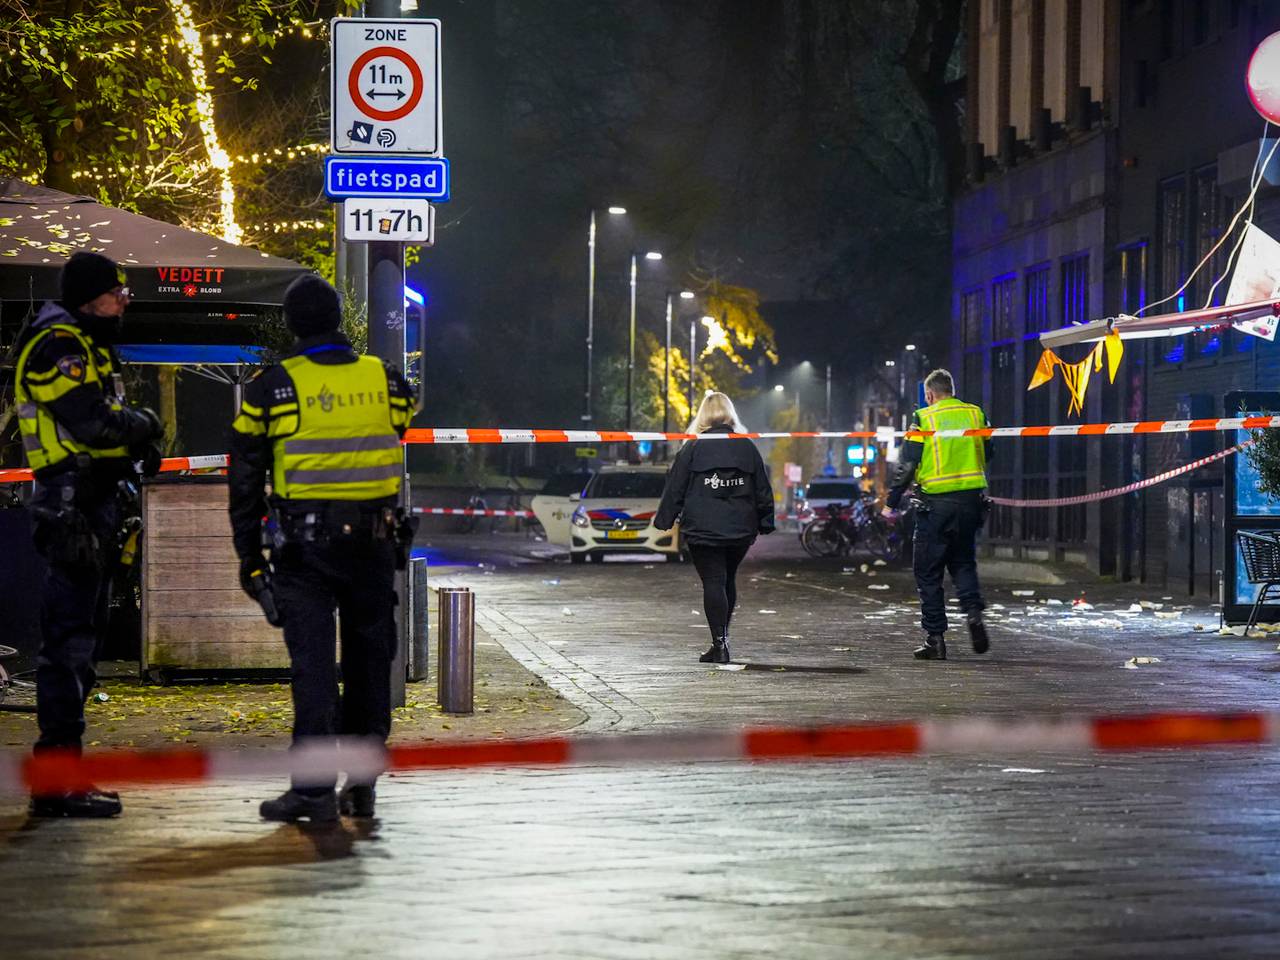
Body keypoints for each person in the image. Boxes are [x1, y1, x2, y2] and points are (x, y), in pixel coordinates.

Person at [228, 274, 415, 823]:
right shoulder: (387, 381)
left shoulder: (273, 388)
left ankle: (311, 792)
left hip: (305, 551)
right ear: (337, 319)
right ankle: (362, 787)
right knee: (369, 662)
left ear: (290, 324)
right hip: (375, 546)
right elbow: (398, 427)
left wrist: (248, 555)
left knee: (312, 668)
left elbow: (244, 477)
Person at [15, 251, 164, 818]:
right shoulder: (59, 345)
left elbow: (105, 426)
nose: (126, 300)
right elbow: (93, 422)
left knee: (82, 649)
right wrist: (144, 425)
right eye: (117, 291)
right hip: (70, 507)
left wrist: (133, 444)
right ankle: (55, 783)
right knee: (68, 650)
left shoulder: (84, 343)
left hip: (91, 505)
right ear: (87, 297)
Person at [655, 392, 775, 664]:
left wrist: (665, 519)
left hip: (703, 526)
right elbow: (762, 487)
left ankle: (719, 644)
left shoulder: (693, 447)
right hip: (739, 528)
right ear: (730, 414)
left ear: (703, 416)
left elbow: (676, 486)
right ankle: (722, 639)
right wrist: (766, 520)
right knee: (727, 579)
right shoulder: (746, 446)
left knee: (713, 580)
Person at [883, 368, 991, 661]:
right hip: (970, 504)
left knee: (928, 572)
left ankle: (935, 639)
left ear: (929, 394)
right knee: (963, 563)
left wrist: (891, 502)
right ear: (951, 389)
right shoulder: (975, 414)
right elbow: (989, 451)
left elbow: (908, 463)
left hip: (935, 507)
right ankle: (973, 615)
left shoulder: (924, 417)